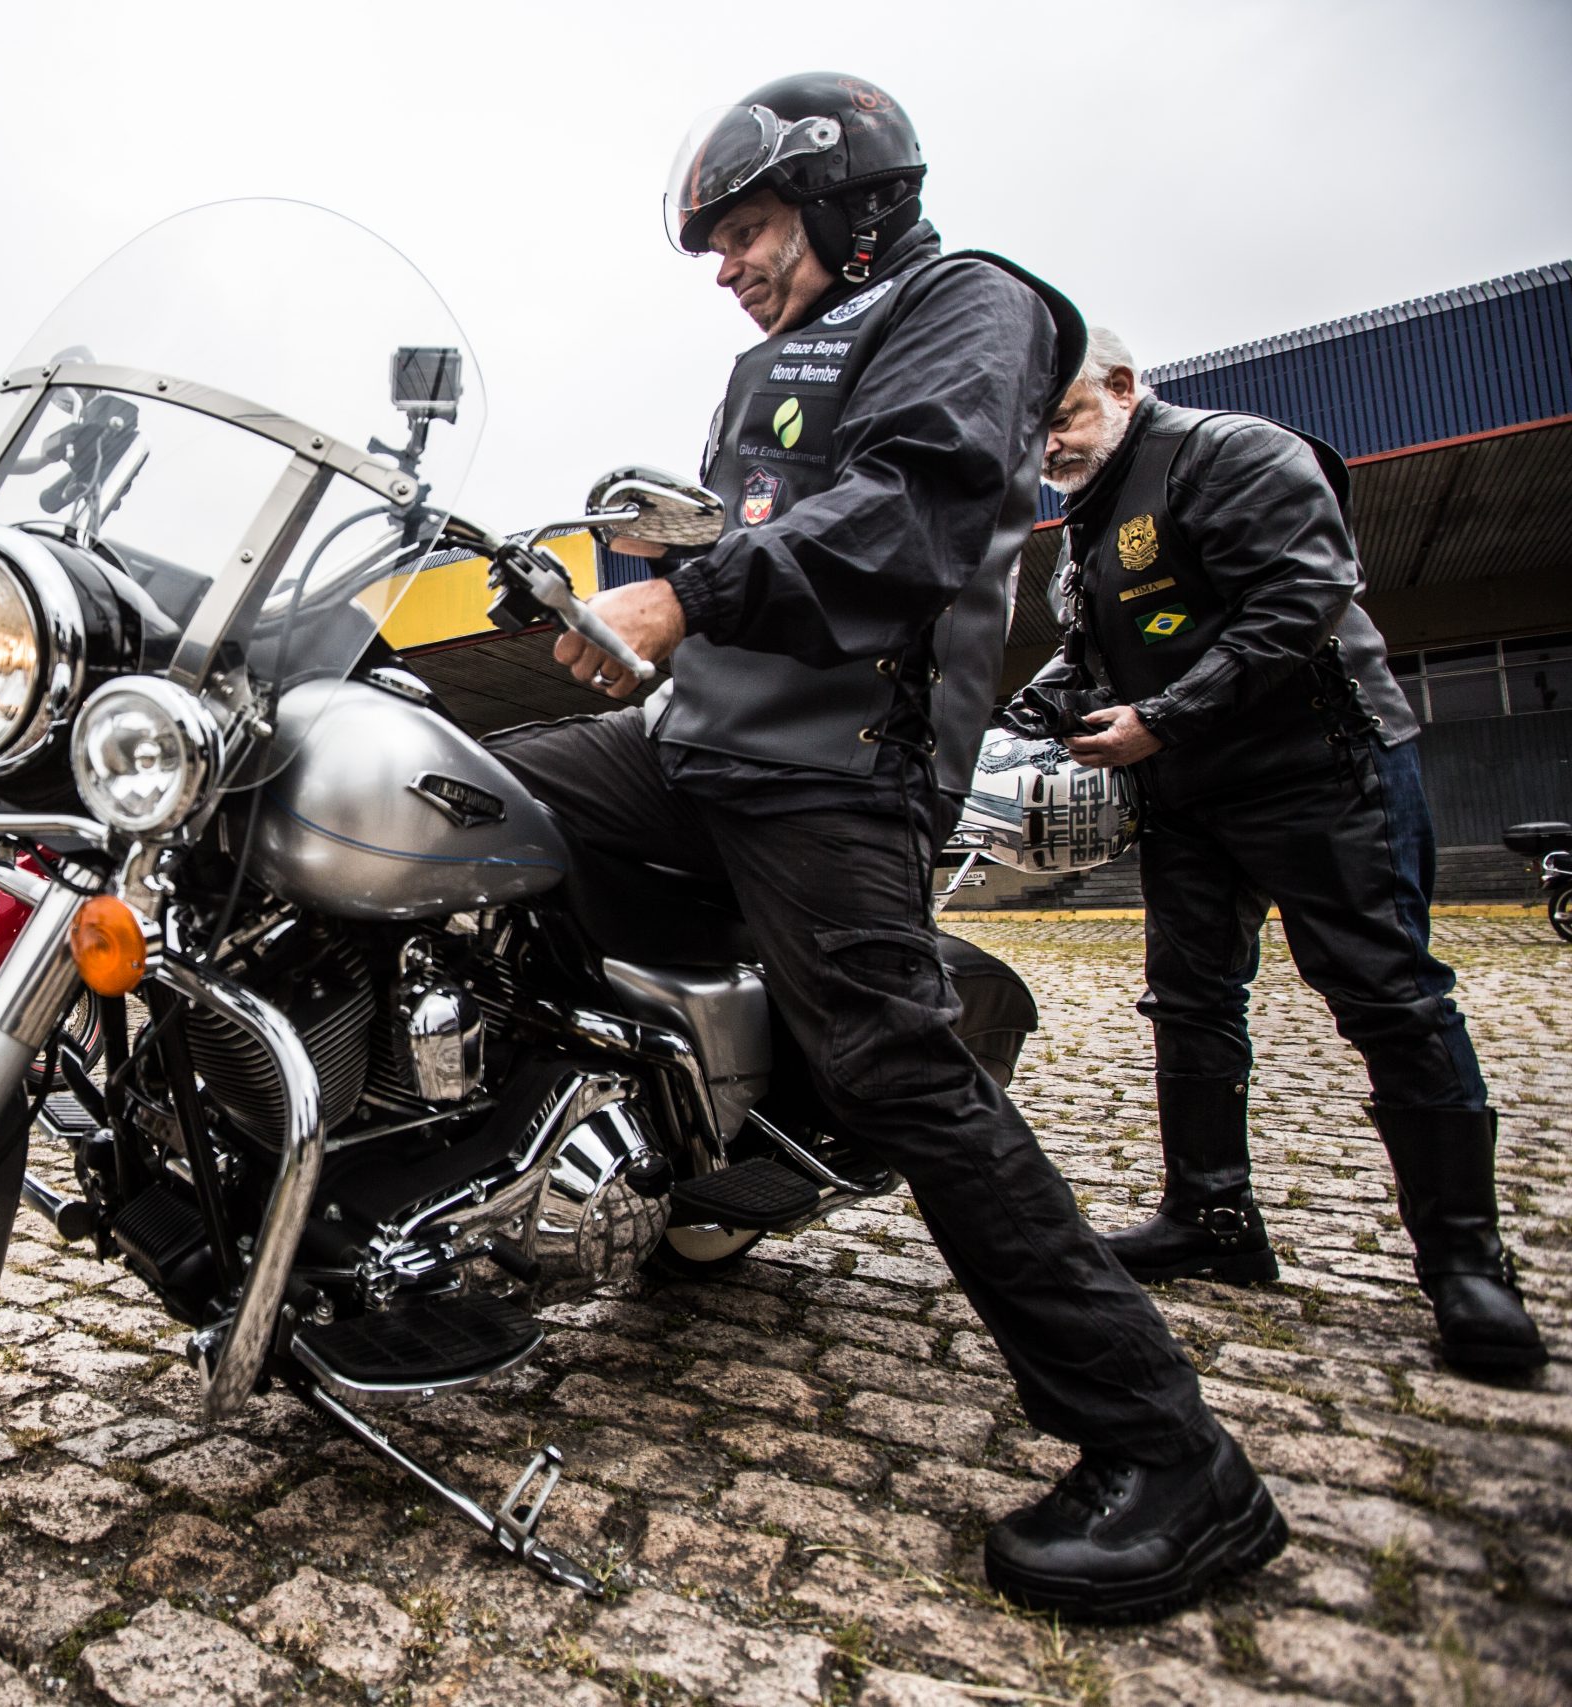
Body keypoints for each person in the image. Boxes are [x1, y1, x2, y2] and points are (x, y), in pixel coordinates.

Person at [493, 72, 1283, 1619]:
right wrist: (620, 578)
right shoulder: (764, 367)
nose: (726, 262)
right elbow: (744, 547)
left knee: (894, 1060)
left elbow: (914, 512)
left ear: (854, 205)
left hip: (839, 766)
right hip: (695, 748)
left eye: (749, 226)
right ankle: (532, 1169)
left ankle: (1174, 1453)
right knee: (447, 802)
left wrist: (685, 597)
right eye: (714, 240)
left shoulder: (967, 305)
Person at [1005, 329, 1547, 1378]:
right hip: (1189, 796)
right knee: (1190, 1001)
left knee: (1391, 1000)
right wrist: (1018, 721)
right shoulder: (1090, 522)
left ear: (1121, 387)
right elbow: (1090, 655)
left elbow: (1298, 602)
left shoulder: (1233, 451)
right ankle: (1211, 1219)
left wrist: (1161, 716)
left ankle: (1467, 1273)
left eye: (1060, 418)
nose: (1047, 446)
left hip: (1322, 773)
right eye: (1032, 433)